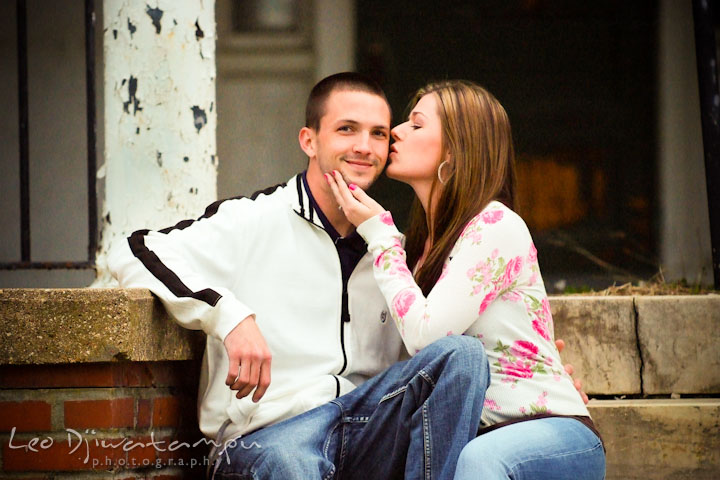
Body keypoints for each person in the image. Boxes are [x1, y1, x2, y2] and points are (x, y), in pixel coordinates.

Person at [109, 72, 492, 479]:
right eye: (347, 129)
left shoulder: (391, 249)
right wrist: (228, 315)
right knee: (291, 465)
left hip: (366, 431)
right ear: (309, 140)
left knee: (463, 355)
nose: (364, 146)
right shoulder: (254, 218)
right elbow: (136, 248)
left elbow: (438, 351)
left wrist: (545, 390)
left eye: (379, 134)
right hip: (269, 437)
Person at [326, 80, 605, 479]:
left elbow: (427, 337)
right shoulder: (419, 252)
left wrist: (379, 234)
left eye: (416, 125)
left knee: (479, 461)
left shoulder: (495, 225)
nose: (397, 132)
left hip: (545, 434)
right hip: (465, 442)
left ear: (454, 153)